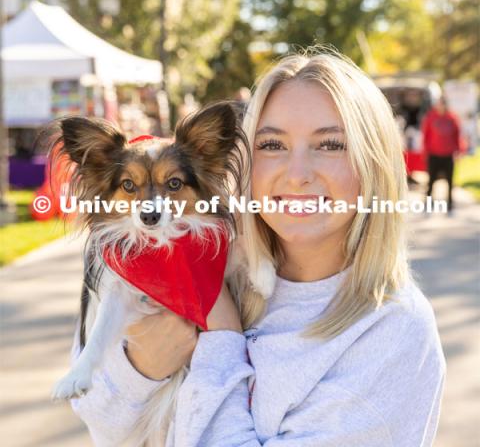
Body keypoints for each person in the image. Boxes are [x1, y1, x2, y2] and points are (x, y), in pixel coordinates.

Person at [70, 51, 446, 446]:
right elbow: (101, 425)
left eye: (331, 144)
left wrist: (222, 334)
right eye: (272, 145)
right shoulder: (170, 264)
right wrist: (141, 369)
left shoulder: (393, 332)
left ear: (376, 163)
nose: (297, 174)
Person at [422, 96, 461, 211]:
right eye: (439, 104)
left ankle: (449, 202)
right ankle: (428, 201)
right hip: (434, 154)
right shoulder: (431, 117)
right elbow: (426, 136)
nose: (441, 106)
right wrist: (425, 152)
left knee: (449, 180)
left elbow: (457, 135)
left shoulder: (452, 118)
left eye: (443, 104)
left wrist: (458, 150)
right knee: (431, 180)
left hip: (448, 155)